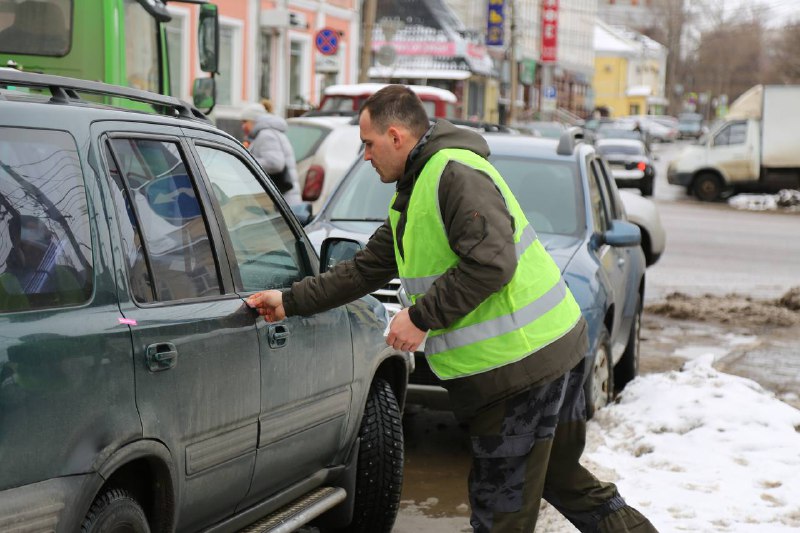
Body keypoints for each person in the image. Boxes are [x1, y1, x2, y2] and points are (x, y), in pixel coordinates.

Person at [247, 85, 657, 533]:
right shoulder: (416, 191)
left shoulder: (452, 173)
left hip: (520, 372)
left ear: (397, 136)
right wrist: (288, 301)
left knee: (499, 513)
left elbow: (492, 263)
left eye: (369, 144)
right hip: (550, 353)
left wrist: (420, 318)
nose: (365, 156)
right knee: (561, 480)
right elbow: (363, 270)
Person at [240, 100, 302, 205]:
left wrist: (247, 160)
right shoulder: (269, 132)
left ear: (253, 120)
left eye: (245, 122)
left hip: (282, 201)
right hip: (285, 199)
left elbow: (275, 163)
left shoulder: (266, 134)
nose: (243, 126)